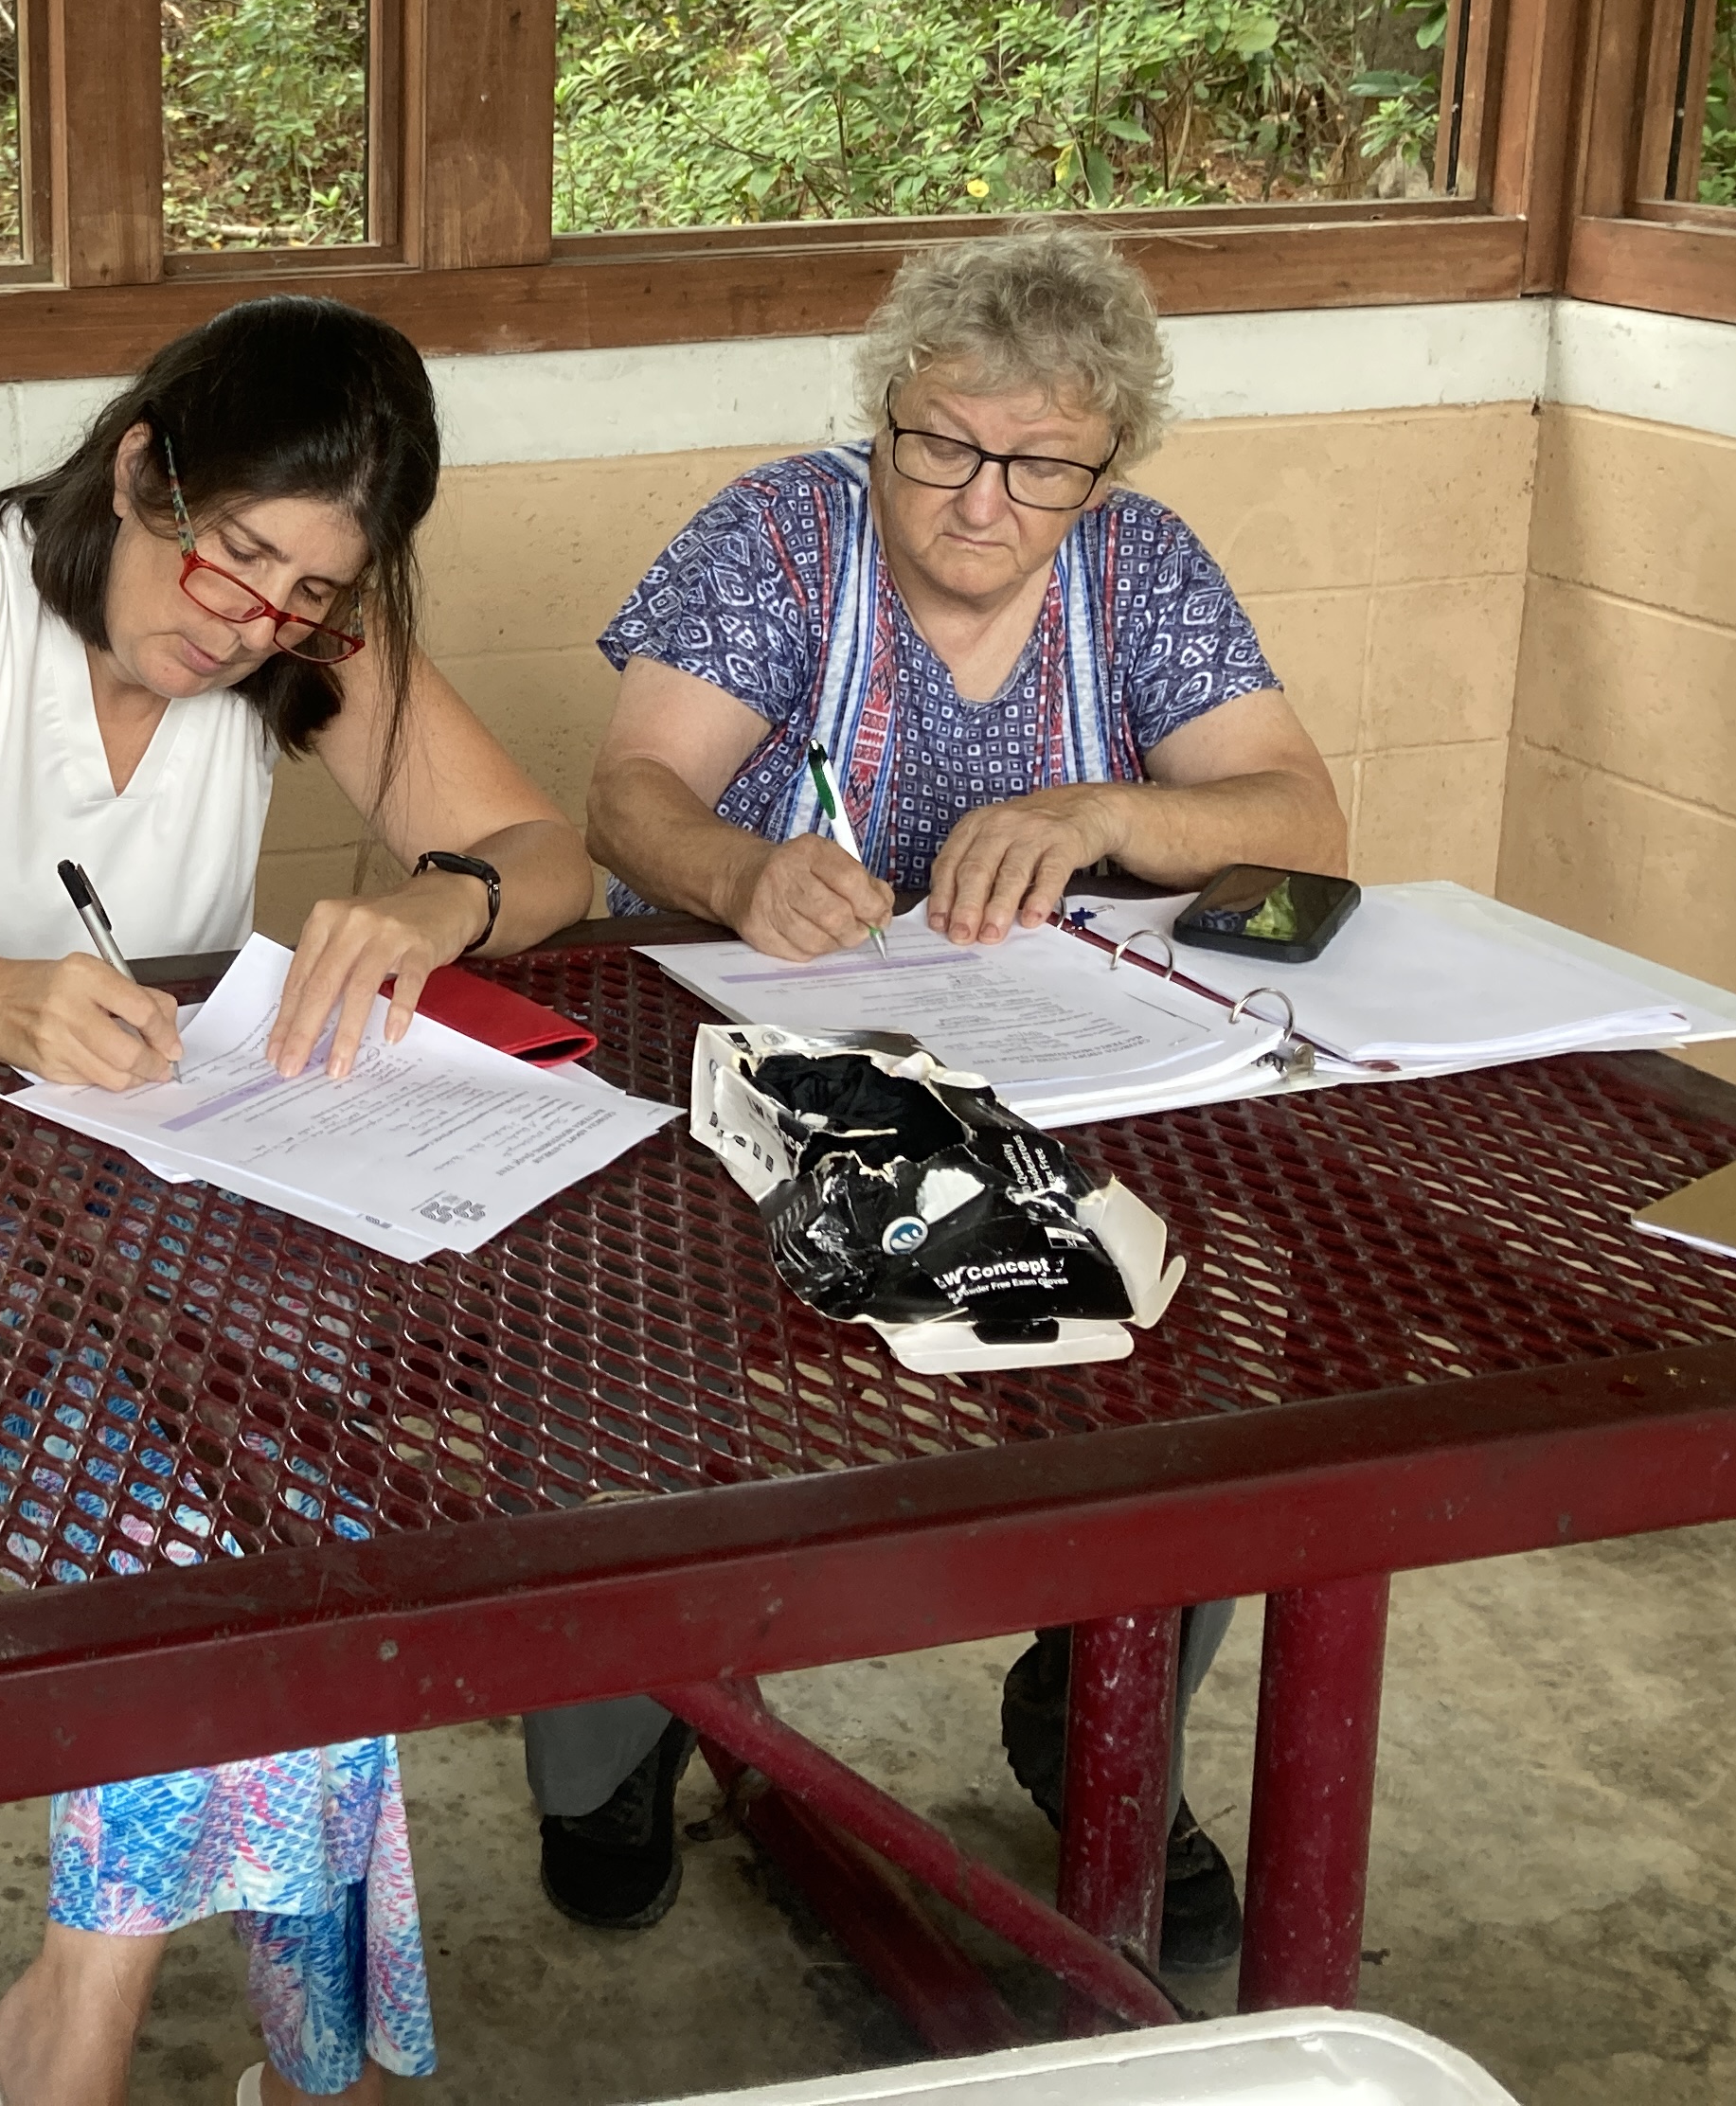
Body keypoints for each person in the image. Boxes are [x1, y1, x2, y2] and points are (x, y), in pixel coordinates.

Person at [0, 294, 593, 2105]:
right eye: (230, 563)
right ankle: (151, 2035)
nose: (250, 628)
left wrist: (440, 903)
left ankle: (259, 2050)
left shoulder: (301, 626)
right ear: (141, 467)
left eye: (304, 598)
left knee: (328, 1510)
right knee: (210, 1532)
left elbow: (545, 854)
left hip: (150, 1201)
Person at [552, 223, 1349, 1967]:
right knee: (633, 1339)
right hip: (746, 1062)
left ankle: (1094, 1712)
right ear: (886, 414)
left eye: (1041, 463)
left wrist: (1107, 814)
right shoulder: (774, 535)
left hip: (1046, 1075)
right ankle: (623, 1742)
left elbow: (1302, 820)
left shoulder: (1140, 569)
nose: (984, 498)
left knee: (1183, 1330)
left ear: (1103, 465)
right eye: (943, 444)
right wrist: (745, 867)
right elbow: (627, 799)